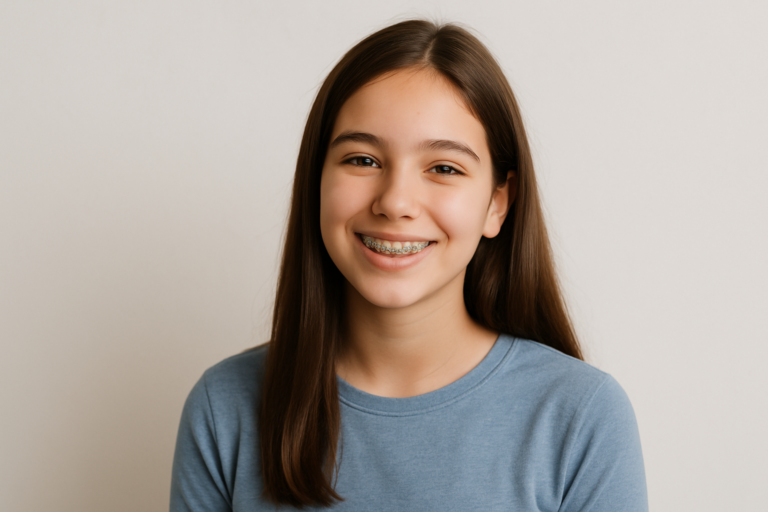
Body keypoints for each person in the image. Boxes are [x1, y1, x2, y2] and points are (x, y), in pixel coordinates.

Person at [170, 19, 648, 511]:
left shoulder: (582, 417)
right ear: (316, 181)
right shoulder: (223, 408)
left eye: (444, 168)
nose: (396, 201)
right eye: (362, 159)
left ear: (497, 204)